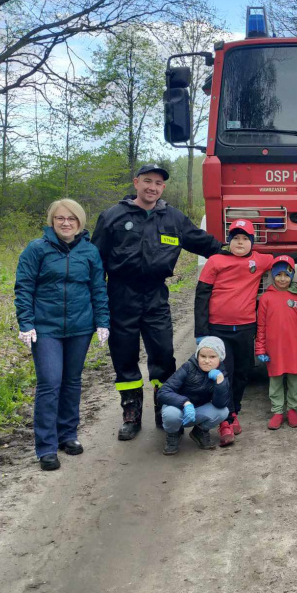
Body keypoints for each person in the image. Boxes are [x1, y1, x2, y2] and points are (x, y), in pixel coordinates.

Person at [91, 164, 224, 441]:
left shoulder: (173, 218)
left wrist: (235, 249)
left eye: (158, 183)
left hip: (155, 295)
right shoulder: (112, 217)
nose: (152, 187)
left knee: (163, 356)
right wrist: (97, 303)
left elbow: (203, 243)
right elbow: (95, 262)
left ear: (163, 188)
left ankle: (164, 409)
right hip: (120, 295)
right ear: (136, 182)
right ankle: (131, 413)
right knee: (124, 357)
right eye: (147, 181)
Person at [15, 199, 110, 471]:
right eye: (60, 218)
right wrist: (26, 323)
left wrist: (102, 321)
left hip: (80, 328)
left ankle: (68, 435)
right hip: (46, 329)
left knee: (72, 382)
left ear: (80, 222)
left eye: (71, 218)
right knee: (49, 382)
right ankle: (46, 446)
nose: (66, 223)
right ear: (51, 221)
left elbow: (98, 289)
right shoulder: (36, 250)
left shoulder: (90, 252)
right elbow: (23, 287)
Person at [195, 219, 274, 445]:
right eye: (236, 238)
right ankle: (225, 420)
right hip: (218, 329)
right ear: (229, 241)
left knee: (243, 372)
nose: (240, 242)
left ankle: (234, 410)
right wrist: (201, 332)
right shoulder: (216, 261)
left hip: (245, 328)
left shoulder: (259, 260)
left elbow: (283, 261)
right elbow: (201, 295)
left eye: (245, 239)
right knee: (223, 374)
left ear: (252, 242)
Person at [255, 255, 297, 430]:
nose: (282, 279)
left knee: (295, 379)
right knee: (276, 379)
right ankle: (278, 411)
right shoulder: (266, 298)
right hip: (274, 349)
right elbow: (261, 326)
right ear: (272, 275)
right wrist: (260, 349)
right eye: (278, 274)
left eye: (286, 275)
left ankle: (293, 410)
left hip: (295, 347)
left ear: (292, 276)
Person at [155, 337, 230, 455]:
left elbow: (220, 404)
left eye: (212, 357)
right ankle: (173, 434)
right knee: (171, 414)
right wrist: (185, 403)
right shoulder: (188, 367)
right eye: (203, 356)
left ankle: (199, 432)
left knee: (223, 411)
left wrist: (220, 382)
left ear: (220, 358)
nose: (206, 360)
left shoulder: (221, 374)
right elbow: (163, 392)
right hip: (179, 408)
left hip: (197, 411)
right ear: (197, 356)